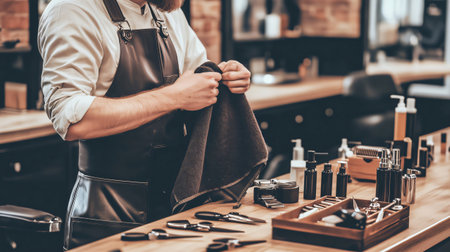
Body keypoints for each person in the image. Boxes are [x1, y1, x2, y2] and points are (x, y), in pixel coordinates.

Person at [38, 0, 251, 249]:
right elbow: (71, 119)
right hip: (108, 215)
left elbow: (197, 81)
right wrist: (173, 96)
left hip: (176, 210)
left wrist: (224, 78)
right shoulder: (73, 9)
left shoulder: (167, 13)